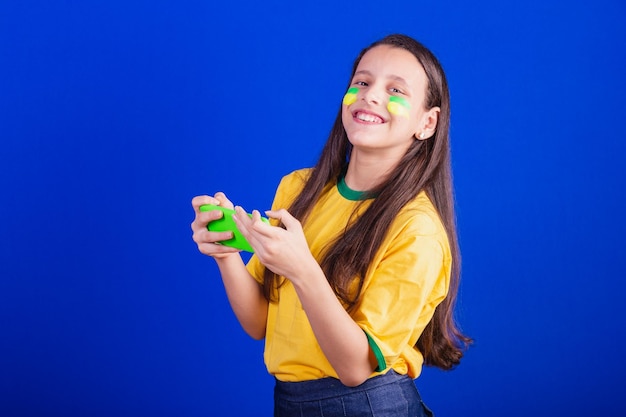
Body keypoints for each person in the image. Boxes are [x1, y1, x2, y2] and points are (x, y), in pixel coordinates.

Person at [191, 33, 471, 417]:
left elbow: (356, 368)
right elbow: (260, 322)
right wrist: (225, 253)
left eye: (396, 90)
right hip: (290, 404)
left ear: (427, 123)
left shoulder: (418, 230)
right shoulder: (298, 189)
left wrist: (303, 269)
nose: (371, 95)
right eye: (362, 82)